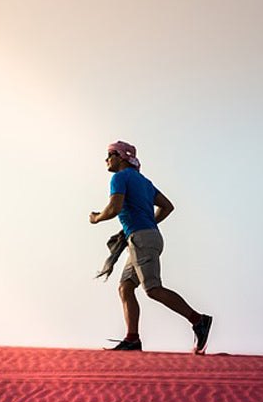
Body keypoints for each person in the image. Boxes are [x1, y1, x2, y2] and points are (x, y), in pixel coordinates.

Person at [89, 141, 213, 353]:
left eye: (110, 154)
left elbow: (114, 208)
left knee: (153, 289)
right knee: (125, 287)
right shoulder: (144, 182)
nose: (106, 159)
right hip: (144, 238)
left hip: (142, 239)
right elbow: (167, 206)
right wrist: (147, 223)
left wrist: (96, 218)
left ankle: (198, 320)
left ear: (121, 157)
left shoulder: (119, 177)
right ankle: (132, 339)